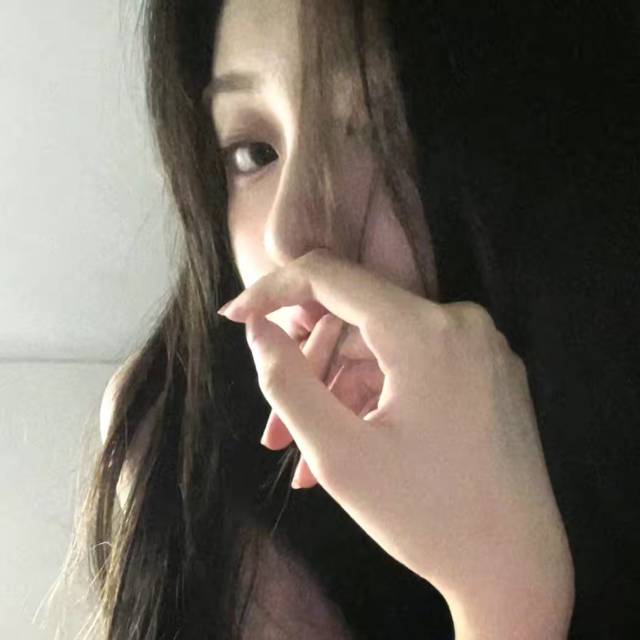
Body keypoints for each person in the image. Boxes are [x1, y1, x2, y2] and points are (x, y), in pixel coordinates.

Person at [53, 1, 639, 638]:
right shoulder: (176, 427)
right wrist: (508, 600)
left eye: (385, 130)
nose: (288, 233)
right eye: (253, 152)